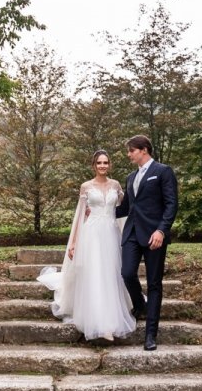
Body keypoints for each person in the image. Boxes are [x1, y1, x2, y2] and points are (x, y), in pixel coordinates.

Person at [37, 150, 136, 341]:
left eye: (106, 163)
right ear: (94, 165)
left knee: (110, 273)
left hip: (111, 233)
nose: (102, 166)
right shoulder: (86, 187)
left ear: (110, 165)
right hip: (91, 234)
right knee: (95, 274)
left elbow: (123, 211)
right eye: (99, 163)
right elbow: (79, 216)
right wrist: (73, 243)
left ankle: (111, 317)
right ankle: (98, 323)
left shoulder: (116, 185)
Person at [115, 135, 178, 351]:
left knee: (153, 284)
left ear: (143, 150)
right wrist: (98, 210)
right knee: (127, 273)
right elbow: (125, 209)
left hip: (154, 236)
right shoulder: (131, 177)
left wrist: (162, 230)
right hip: (132, 233)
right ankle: (140, 305)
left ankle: (151, 334)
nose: (129, 154)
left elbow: (171, 204)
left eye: (131, 150)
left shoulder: (163, 171)